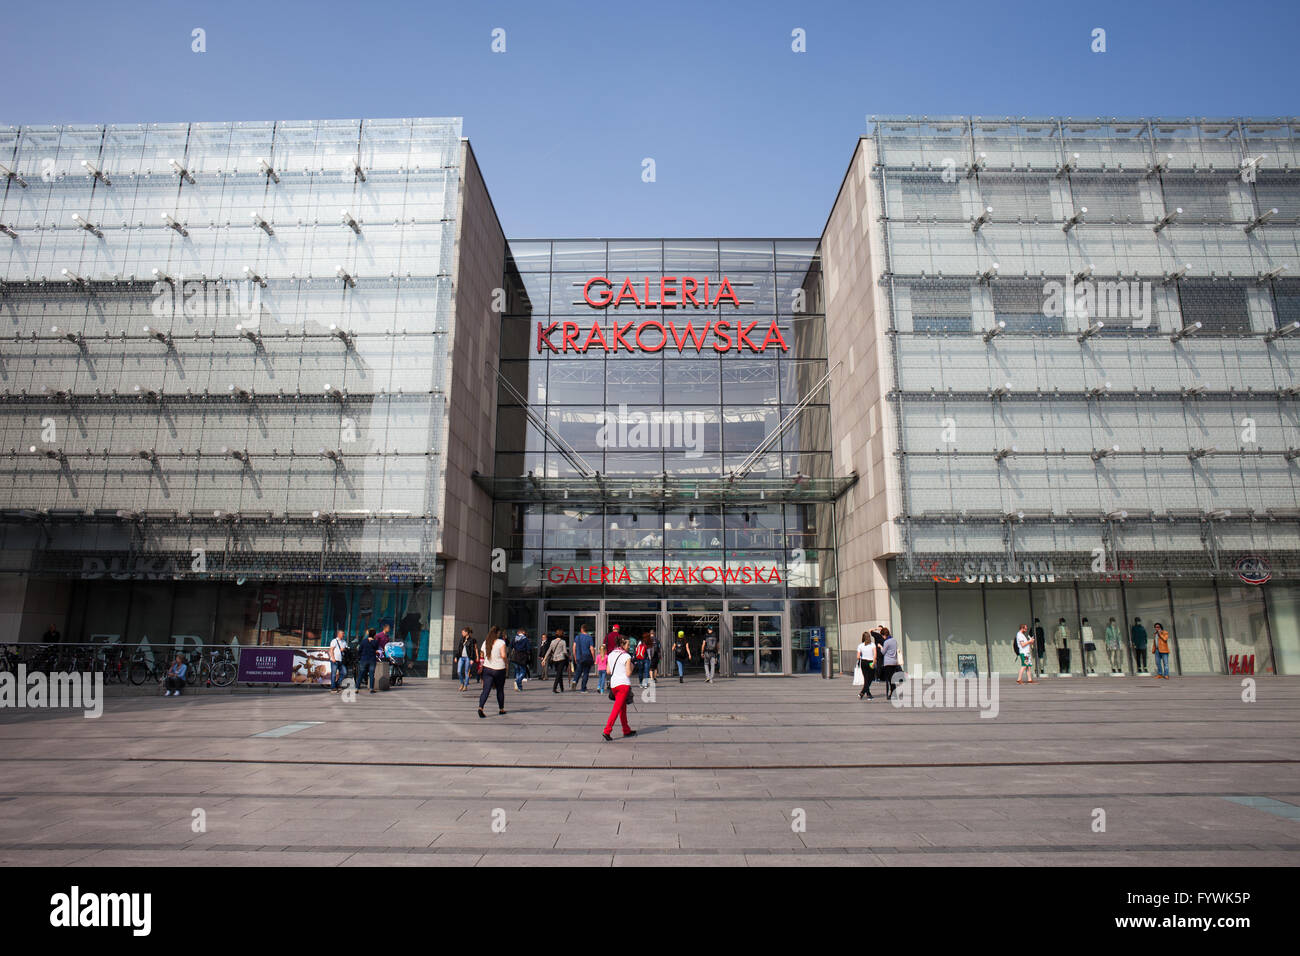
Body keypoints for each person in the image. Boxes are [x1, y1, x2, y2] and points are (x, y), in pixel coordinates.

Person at [602, 635, 637, 741]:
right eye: (628, 645)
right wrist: (632, 665)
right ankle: (607, 731)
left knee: (622, 708)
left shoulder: (611, 654)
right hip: (623, 685)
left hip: (614, 685)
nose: (629, 647)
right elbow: (628, 673)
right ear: (623, 644)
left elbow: (608, 671)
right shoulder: (626, 656)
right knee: (617, 709)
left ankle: (626, 730)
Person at [478, 626, 509, 718]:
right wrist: (506, 663)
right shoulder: (501, 642)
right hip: (499, 669)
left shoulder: (485, 642)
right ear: (498, 633)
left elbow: (482, 656)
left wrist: (481, 666)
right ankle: (501, 709)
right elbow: (503, 655)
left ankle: (481, 708)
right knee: (500, 689)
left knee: (486, 690)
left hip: (487, 668)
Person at [572, 625, 596, 692]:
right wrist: (593, 658)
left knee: (578, 671)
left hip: (579, 657)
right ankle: (583, 688)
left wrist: (575, 657)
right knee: (585, 673)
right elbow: (591, 648)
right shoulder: (589, 637)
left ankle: (574, 681)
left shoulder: (577, 637)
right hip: (587, 657)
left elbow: (574, 648)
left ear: (581, 629)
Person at [357, 628, 380, 693]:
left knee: (361, 673)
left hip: (364, 659)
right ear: (374, 635)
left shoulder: (364, 641)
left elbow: (360, 650)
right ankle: (371, 688)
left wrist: (360, 656)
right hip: (372, 659)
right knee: (372, 674)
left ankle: (357, 688)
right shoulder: (375, 642)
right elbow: (376, 649)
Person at [880, 629, 900, 699]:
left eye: (882, 636)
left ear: (884, 635)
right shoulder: (894, 640)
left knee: (890, 679)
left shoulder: (886, 642)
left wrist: (880, 647)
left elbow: (883, 652)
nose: (882, 637)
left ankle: (893, 693)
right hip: (894, 661)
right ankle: (893, 692)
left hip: (888, 662)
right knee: (892, 678)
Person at [855, 631, 876, 700]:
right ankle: (864, 693)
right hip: (870, 662)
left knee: (866, 678)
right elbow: (875, 654)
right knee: (870, 678)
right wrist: (874, 661)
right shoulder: (872, 645)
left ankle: (865, 693)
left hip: (863, 662)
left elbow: (858, 656)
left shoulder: (860, 645)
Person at [456, 627, 477, 691]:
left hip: (468, 658)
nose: (462, 633)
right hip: (461, 657)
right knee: (459, 671)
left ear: (467, 632)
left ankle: (465, 686)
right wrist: (456, 657)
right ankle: (462, 683)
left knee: (466, 672)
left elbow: (473, 650)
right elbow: (459, 648)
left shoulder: (471, 640)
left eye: (463, 632)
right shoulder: (462, 639)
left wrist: (472, 659)